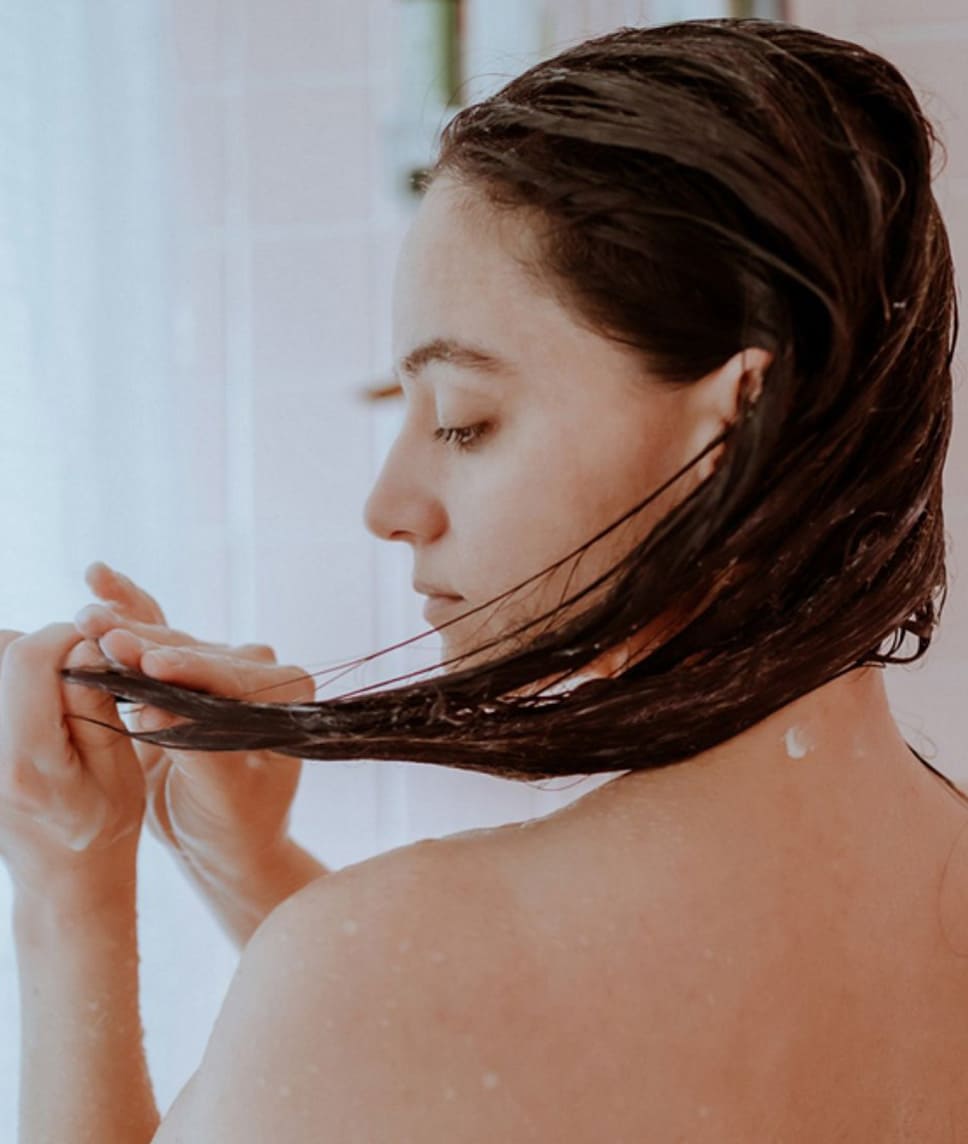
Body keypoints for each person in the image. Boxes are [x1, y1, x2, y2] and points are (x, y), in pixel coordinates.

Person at [3, 15, 966, 1141]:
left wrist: (69, 888)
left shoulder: (381, 962)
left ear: (734, 422)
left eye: (463, 420)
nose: (386, 505)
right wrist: (247, 864)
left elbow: (436, 1037)